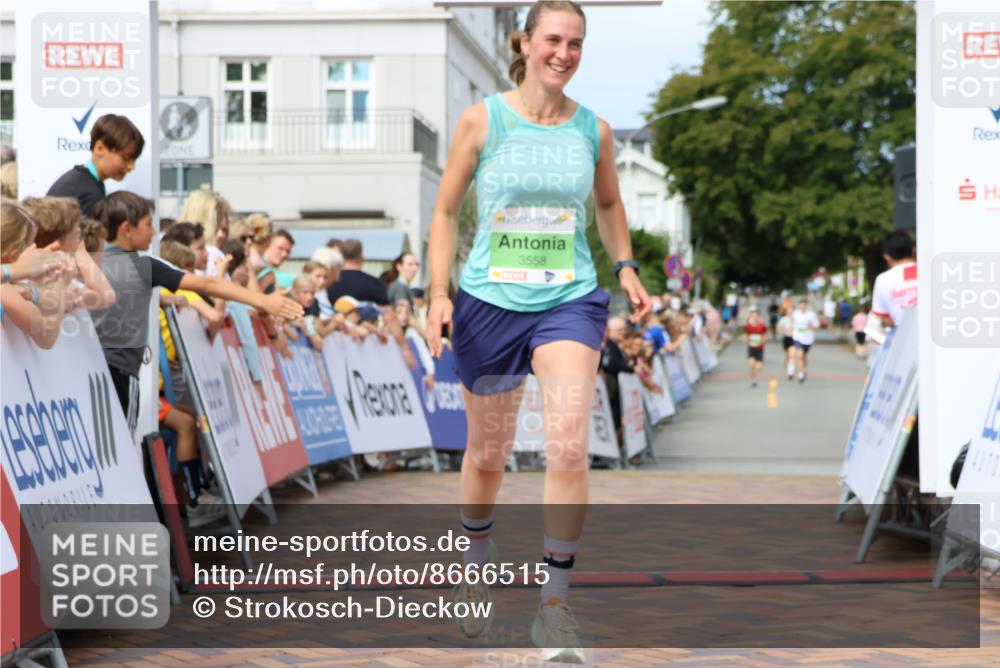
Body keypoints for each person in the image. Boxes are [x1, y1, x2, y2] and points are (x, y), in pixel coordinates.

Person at [423, 2, 651, 661]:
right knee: (487, 457)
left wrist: (627, 266)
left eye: (576, 42)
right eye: (553, 39)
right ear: (523, 42)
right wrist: (439, 293)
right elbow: (443, 214)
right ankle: (475, 553)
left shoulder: (594, 131)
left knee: (569, 444)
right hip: (490, 302)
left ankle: (553, 609)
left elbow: (607, 203)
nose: (564, 52)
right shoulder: (482, 120)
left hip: (569, 301)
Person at [90, 191, 303, 437]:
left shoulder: (91, 262)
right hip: (121, 373)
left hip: (92, 369)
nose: (152, 232)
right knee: (120, 448)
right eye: (149, 225)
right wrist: (263, 300)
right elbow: (209, 285)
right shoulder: (143, 266)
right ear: (127, 229)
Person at [21, 196, 116, 312]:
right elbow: (106, 296)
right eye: (75, 230)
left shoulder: (59, 274)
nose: (79, 231)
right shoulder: (52, 280)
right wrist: (81, 252)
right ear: (57, 243)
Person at [0, 200, 72, 348]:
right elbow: (45, 333)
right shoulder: (4, 289)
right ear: (13, 255)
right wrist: (60, 282)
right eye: (30, 246)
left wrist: (30, 291)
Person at [47, 114, 144, 216]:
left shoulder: (80, 182)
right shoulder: (89, 194)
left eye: (134, 159)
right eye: (126, 158)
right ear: (100, 148)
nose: (131, 166)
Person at [866, 229, 917, 345]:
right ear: (913, 251)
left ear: (887, 257)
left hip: (902, 344)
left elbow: (876, 322)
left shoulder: (883, 280)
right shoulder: (930, 272)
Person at [179, 189, 231, 275]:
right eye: (215, 228)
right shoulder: (214, 255)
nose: (221, 235)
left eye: (224, 230)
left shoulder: (168, 249)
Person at [791, 298, 819, 383]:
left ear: (806, 305)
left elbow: (817, 325)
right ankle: (801, 374)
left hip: (808, 339)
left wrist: (812, 327)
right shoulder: (795, 314)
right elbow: (792, 322)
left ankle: (803, 370)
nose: (803, 306)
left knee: (804, 357)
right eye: (801, 305)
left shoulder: (811, 315)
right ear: (799, 305)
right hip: (797, 337)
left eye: (804, 305)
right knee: (799, 355)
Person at [257, 229, 295, 293]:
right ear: (268, 244)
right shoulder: (256, 265)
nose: (284, 254)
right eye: (280, 248)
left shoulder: (276, 271)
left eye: (288, 252)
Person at [744, 306, 768, 387]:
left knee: (759, 366)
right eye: (753, 315)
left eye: (756, 316)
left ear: (759, 316)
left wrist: (762, 341)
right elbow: (747, 335)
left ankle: (755, 376)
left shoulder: (762, 326)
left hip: (760, 348)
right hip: (751, 347)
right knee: (751, 364)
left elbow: (765, 334)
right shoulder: (748, 326)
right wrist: (747, 341)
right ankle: (753, 380)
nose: (754, 317)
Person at [777, 305, 795, 379]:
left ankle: (790, 373)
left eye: (792, 310)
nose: (790, 312)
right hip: (786, 338)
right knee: (787, 356)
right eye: (789, 310)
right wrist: (785, 330)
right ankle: (788, 365)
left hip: (794, 338)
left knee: (792, 356)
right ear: (786, 311)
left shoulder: (796, 318)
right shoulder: (783, 319)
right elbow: (778, 330)